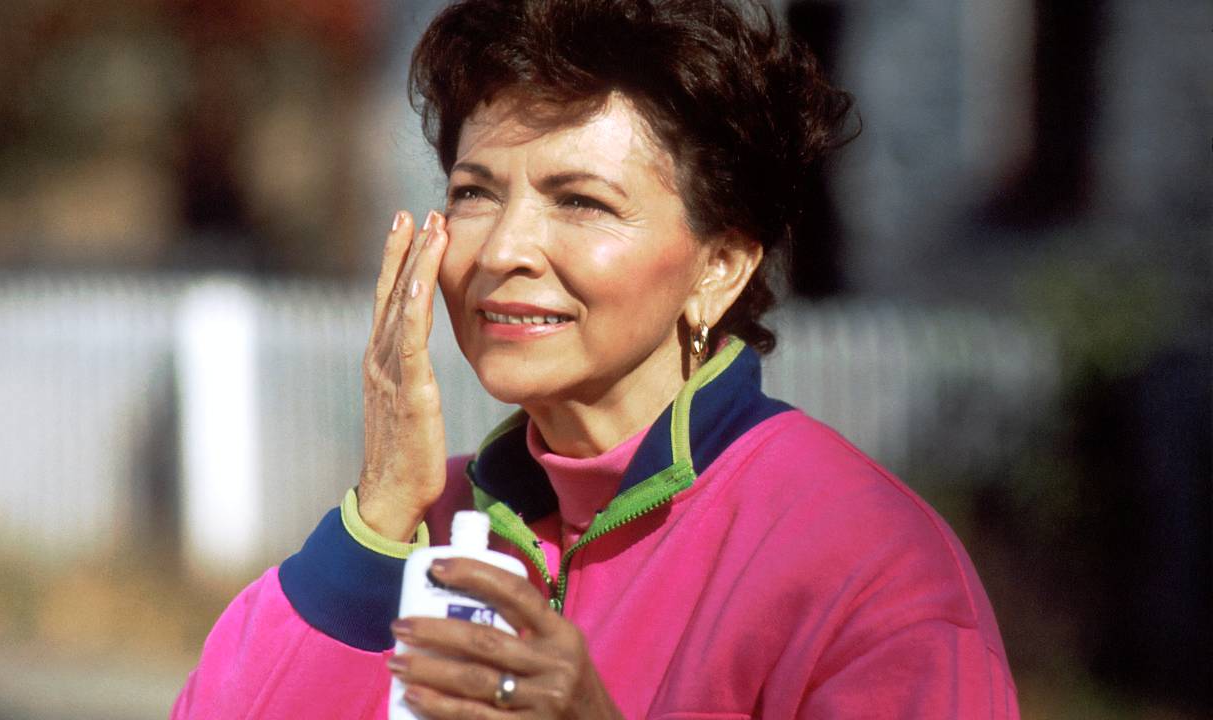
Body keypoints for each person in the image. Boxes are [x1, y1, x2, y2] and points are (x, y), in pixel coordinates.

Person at [172, 0, 1020, 717]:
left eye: (580, 201)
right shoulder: (416, 528)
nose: (505, 248)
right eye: (474, 193)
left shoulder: (865, 562)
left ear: (721, 265)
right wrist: (381, 513)